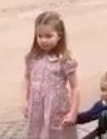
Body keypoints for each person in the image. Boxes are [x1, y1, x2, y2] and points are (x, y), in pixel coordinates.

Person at [23, 11, 80, 139]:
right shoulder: (33, 58)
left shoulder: (64, 60)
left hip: (57, 110)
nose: (43, 40)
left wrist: (73, 112)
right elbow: (27, 78)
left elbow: (75, 87)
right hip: (37, 109)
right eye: (40, 36)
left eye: (48, 36)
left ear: (59, 36)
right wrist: (25, 100)